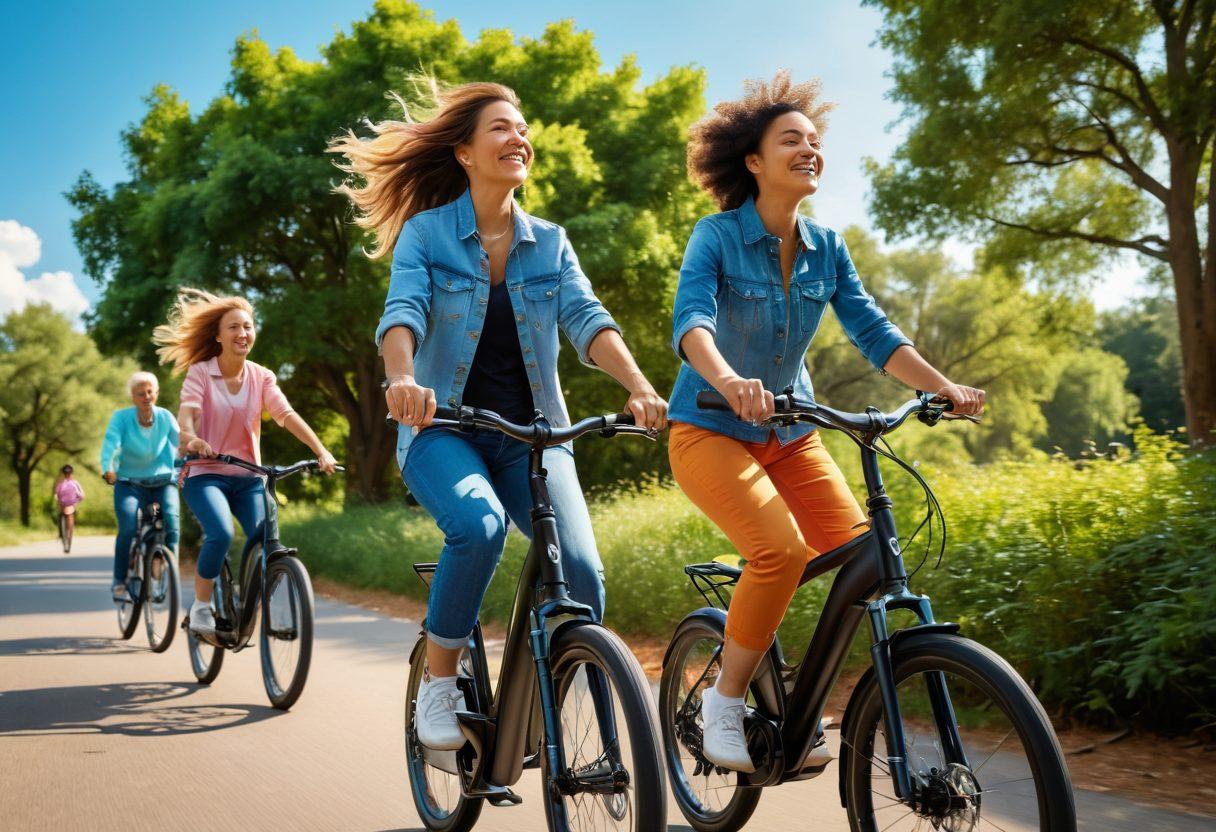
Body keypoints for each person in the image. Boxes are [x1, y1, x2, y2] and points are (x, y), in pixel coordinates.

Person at [330, 79, 667, 750]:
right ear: (464, 152)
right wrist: (402, 378)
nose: (520, 138)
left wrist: (638, 385)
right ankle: (440, 683)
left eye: (523, 129)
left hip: (534, 436)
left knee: (581, 573)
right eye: (502, 128)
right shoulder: (428, 234)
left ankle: (538, 697)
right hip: (443, 430)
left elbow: (587, 318)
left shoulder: (552, 243)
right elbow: (403, 312)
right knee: (479, 528)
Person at [666, 72, 986, 771]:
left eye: (814, 140)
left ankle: (796, 692)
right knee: (780, 552)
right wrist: (729, 381)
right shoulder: (716, 236)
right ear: (754, 160)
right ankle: (724, 701)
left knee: (860, 561)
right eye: (791, 140)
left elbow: (874, 331)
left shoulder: (828, 246)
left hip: (792, 433)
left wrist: (941, 388)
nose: (809, 148)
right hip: (710, 428)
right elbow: (692, 322)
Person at [153, 289, 337, 637]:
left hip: (249, 477)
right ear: (218, 336)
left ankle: (251, 599)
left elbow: (286, 414)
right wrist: (192, 439)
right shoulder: (201, 373)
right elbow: (187, 416)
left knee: (266, 536)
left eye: (248, 326)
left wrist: (320, 450)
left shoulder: (261, 376)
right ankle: (202, 606)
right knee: (221, 533)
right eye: (234, 327)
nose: (242, 333)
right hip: (205, 475)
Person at [101, 371, 181, 599]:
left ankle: (166, 566)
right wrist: (108, 468)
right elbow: (110, 444)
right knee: (127, 526)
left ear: (156, 393)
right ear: (133, 397)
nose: (146, 397)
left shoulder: (165, 417)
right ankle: (119, 580)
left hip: (163, 481)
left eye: (149, 392)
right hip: (129, 483)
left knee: (172, 520)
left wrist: (191, 460)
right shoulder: (121, 418)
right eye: (140, 393)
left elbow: (181, 443)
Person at [52, 464, 84, 548]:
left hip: (63, 505)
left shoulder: (60, 483)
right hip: (71, 505)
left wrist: (57, 500)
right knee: (68, 516)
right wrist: (78, 501)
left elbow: (56, 494)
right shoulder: (75, 483)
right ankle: (67, 532)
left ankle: (61, 533)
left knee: (60, 516)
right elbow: (82, 495)